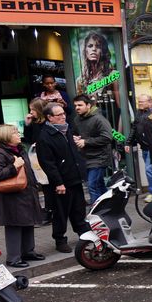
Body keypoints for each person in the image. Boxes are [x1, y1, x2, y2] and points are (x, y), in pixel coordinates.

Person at [34, 103, 89, 253]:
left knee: (79, 209)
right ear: (49, 118)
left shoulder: (66, 130)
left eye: (63, 113)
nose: (63, 116)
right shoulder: (45, 137)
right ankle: (60, 240)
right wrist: (58, 183)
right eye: (59, 115)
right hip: (61, 182)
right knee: (61, 212)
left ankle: (84, 234)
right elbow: (48, 164)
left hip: (75, 177)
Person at [0, 124, 44, 268]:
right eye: (15, 132)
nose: (18, 134)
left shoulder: (19, 149)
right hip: (12, 196)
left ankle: (28, 252)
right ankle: (13, 258)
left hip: (25, 193)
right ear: (6, 136)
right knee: (14, 226)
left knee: (28, 222)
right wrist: (14, 166)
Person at [72, 94, 114, 202]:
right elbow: (77, 133)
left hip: (100, 157)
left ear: (88, 105)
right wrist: (76, 138)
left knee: (92, 185)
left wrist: (86, 142)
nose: (77, 108)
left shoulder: (99, 119)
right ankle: (109, 205)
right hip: (86, 157)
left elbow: (107, 138)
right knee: (98, 184)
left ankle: (96, 213)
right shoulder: (77, 119)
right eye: (75, 105)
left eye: (80, 105)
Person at [125, 94, 152, 198]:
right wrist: (128, 142)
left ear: (150, 102)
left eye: (142, 102)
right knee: (150, 170)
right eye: (139, 101)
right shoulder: (138, 113)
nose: (140, 103)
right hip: (144, 147)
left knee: (149, 170)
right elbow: (134, 128)